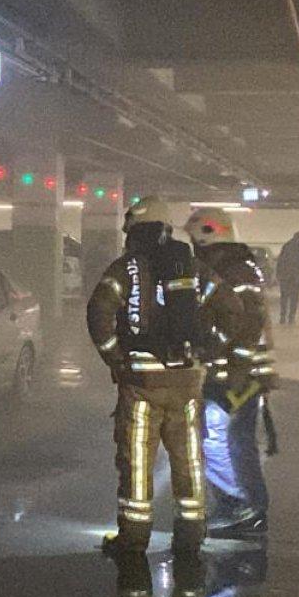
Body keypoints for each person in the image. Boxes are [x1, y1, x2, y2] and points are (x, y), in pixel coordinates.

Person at [87, 195, 206, 558]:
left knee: (137, 461)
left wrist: (115, 357)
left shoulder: (126, 268)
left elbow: (99, 311)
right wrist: (206, 351)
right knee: (188, 460)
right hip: (187, 380)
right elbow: (226, 308)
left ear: (135, 230)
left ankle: (134, 540)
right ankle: (191, 535)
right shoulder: (190, 265)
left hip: (143, 385)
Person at [184, 208, 278, 537]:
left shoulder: (234, 270)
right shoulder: (228, 266)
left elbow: (249, 324)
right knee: (225, 440)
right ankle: (236, 506)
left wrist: (236, 370)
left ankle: (245, 508)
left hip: (239, 376)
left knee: (227, 440)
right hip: (232, 372)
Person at [274, 231, 299, 324]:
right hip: (295, 276)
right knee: (294, 297)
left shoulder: (286, 246)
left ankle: (283, 317)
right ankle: (291, 317)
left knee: (284, 297)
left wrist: (278, 274)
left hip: (285, 276)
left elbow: (280, 260)